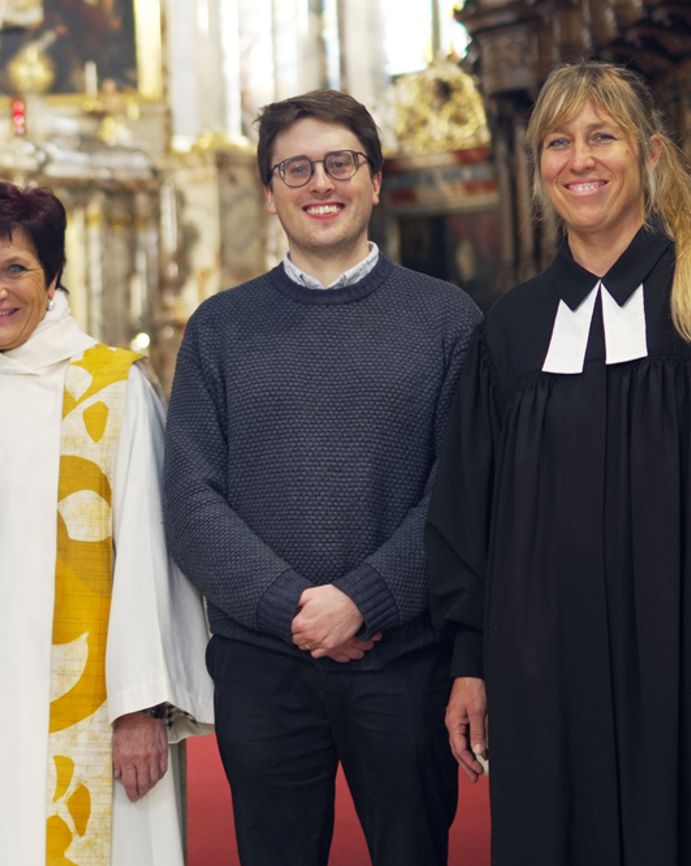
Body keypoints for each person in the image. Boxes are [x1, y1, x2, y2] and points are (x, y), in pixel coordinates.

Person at [163, 90, 481, 866]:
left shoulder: (448, 319)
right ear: (268, 192)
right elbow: (191, 497)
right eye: (295, 168)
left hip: (403, 661)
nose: (320, 183)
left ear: (375, 179)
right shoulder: (220, 326)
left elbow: (462, 488)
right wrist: (294, 610)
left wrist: (361, 601)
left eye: (341, 163)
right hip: (265, 664)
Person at [427, 60, 691, 865]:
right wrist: (469, 664)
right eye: (557, 143)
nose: (579, 160)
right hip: (539, 667)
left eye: (603, 136)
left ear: (652, 156)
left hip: (684, 650)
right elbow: (468, 511)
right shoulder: (511, 327)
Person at [0, 181, 213, 866]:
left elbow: (149, 553)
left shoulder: (111, 389)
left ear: (52, 280)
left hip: (102, 711)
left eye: (16, 268)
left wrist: (140, 707)